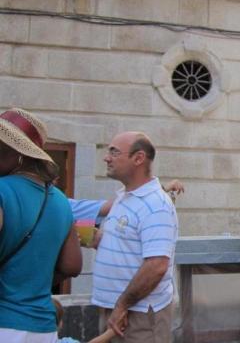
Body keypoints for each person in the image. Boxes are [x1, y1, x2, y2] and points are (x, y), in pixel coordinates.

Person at [0, 108, 82, 342]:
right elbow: (72, 266)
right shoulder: (60, 201)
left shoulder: (2, 191)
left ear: (19, 154)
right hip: (44, 327)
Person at [90, 131, 178, 341]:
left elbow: (156, 265)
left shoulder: (156, 205)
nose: (106, 157)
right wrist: (97, 239)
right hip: (117, 311)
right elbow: (126, 243)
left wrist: (122, 305)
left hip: (138, 317)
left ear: (138, 158)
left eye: (114, 152)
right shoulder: (124, 197)